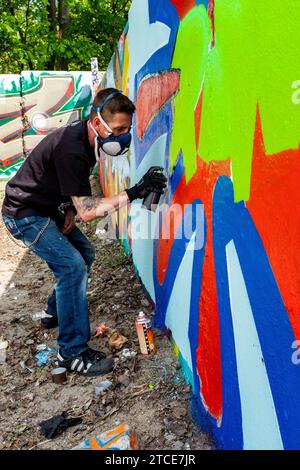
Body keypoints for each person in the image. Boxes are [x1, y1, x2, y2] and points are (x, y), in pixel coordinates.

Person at [1, 88, 167, 377]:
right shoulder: (72, 149)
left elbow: (69, 188)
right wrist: (136, 191)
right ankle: (72, 352)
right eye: (118, 129)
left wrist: (67, 208)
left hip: (45, 207)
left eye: (127, 129)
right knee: (72, 267)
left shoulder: (86, 140)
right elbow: (89, 211)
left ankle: (55, 312)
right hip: (24, 215)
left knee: (84, 254)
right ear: (98, 122)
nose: (123, 136)